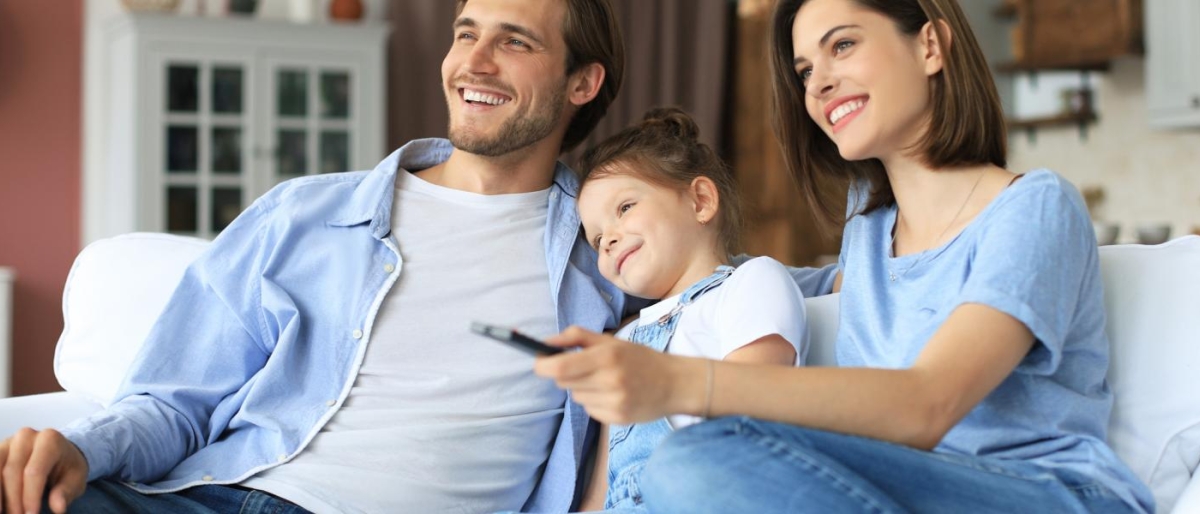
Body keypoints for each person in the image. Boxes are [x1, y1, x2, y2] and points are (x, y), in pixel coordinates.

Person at [0, 0, 629, 513]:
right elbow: (175, 404)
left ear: (583, 82)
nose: (475, 62)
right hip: (215, 498)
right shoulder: (302, 215)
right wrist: (80, 450)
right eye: (466, 34)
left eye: (515, 42)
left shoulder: (608, 257)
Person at [539, 0, 1157, 512]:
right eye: (806, 70)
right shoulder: (868, 235)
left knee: (692, 462)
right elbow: (726, 283)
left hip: (1046, 495)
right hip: (889, 491)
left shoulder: (1035, 207)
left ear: (930, 45)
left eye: (843, 45)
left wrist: (676, 383)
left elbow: (928, 404)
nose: (819, 84)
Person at [562, 107, 807, 512]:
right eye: (597, 238)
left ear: (701, 201)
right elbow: (599, 493)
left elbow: (750, 413)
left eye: (625, 208)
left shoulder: (750, 283)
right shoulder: (624, 340)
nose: (608, 240)